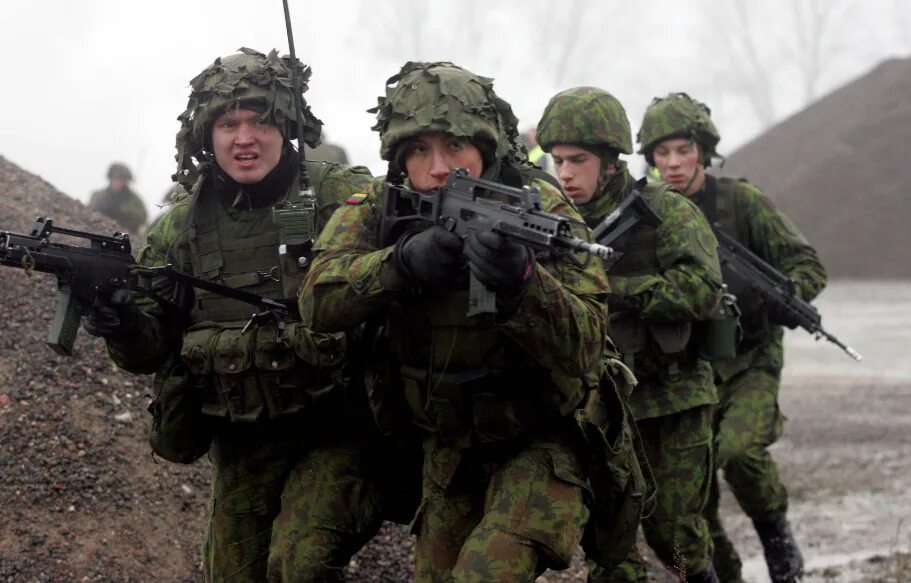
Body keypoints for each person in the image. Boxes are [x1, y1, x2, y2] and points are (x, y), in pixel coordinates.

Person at [299, 61, 623, 583]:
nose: (439, 167)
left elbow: (586, 343)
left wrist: (523, 284)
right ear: (399, 156)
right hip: (447, 447)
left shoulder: (540, 206)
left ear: (485, 147)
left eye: (455, 147)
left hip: (540, 439)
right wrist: (398, 264)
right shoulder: (381, 206)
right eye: (420, 150)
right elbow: (317, 301)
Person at [81, 47, 387, 582]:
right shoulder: (182, 227)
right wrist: (124, 323)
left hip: (339, 430)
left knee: (299, 565)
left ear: (286, 125)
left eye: (261, 121)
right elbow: (150, 350)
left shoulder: (340, 195)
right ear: (207, 134)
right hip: (243, 440)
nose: (244, 137)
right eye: (228, 123)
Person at [638, 93, 827, 583]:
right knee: (687, 502)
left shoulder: (740, 201)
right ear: (650, 158)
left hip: (750, 359)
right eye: (662, 153)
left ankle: (780, 546)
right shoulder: (648, 211)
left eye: (684, 150)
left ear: (703, 149)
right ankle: (719, 574)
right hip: (686, 372)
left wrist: (774, 299)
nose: (674, 163)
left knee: (740, 453)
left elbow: (807, 266)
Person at [537, 87, 724, 583]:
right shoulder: (556, 221)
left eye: (578, 160)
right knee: (608, 546)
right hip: (603, 408)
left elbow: (704, 289)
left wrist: (616, 287)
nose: (566, 173)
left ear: (612, 161)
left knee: (675, 537)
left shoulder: (667, 211)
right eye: (558, 161)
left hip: (673, 400)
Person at [88, 162, 148, 234]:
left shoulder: (134, 200)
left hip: (126, 236)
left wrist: (123, 211)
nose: (118, 183)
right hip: (99, 232)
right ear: (110, 178)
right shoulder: (98, 196)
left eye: (121, 180)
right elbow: (88, 213)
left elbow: (142, 218)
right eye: (115, 179)